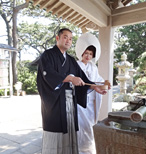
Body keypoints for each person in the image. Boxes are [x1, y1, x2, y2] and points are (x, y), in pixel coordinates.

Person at [37, 28, 107, 154]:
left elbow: (82, 78)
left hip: (69, 103)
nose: (68, 41)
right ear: (57, 38)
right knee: (56, 131)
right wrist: (70, 78)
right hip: (55, 102)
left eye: (70, 38)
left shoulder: (70, 60)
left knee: (69, 131)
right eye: (65, 37)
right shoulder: (47, 55)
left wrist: (94, 87)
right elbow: (48, 74)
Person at [75, 33, 110, 154]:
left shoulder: (93, 67)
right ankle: (81, 150)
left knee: (90, 126)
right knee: (81, 127)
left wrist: (103, 84)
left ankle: (88, 149)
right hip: (80, 102)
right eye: (86, 53)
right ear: (81, 52)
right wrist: (94, 86)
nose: (88, 56)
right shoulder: (76, 65)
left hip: (91, 103)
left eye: (90, 54)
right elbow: (80, 83)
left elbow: (97, 80)